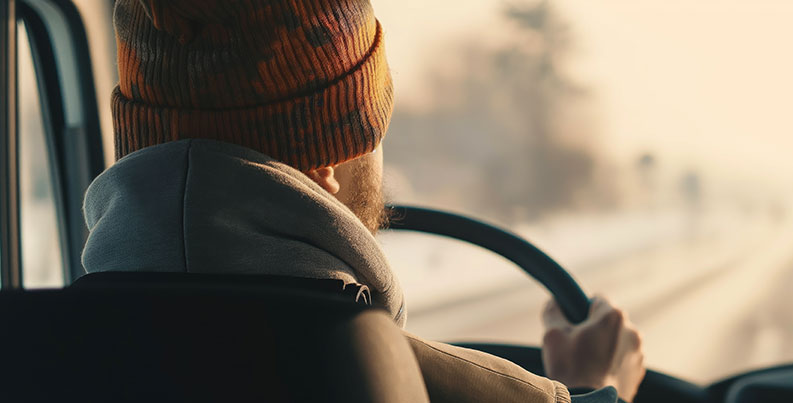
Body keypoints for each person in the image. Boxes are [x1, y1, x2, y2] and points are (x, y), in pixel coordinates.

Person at [84, 0, 646, 401]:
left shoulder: (23, 358)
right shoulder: (433, 388)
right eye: (376, 130)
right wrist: (600, 390)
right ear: (327, 157)